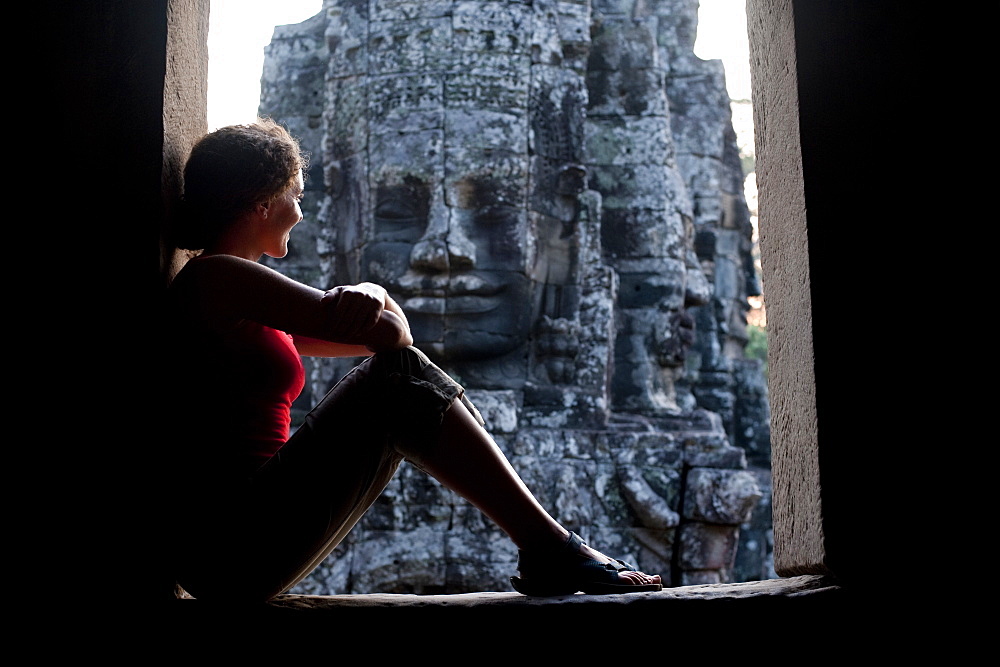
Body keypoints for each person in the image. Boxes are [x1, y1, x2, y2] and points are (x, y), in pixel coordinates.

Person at [164, 118, 662, 602]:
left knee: (401, 376)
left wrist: (369, 292)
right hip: (231, 543)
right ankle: (551, 547)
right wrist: (372, 293)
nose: (300, 212)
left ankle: (549, 547)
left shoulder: (243, 300)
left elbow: (397, 339)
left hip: (246, 538)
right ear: (260, 201)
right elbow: (390, 342)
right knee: (395, 382)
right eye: (296, 196)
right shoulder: (220, 278)